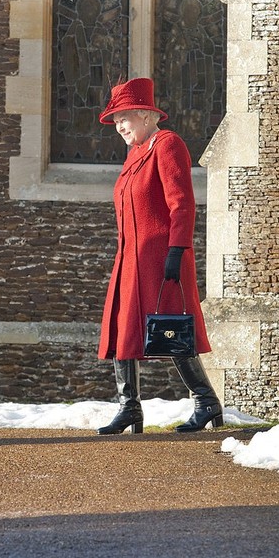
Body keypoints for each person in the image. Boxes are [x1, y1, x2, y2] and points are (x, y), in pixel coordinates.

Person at [96, 77, 222, 434]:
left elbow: (181, 203)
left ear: (147, 115)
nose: (119, 125)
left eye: (124, 117)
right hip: (130, 258)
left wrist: (177, 249)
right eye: (116, 119)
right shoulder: (135, 154)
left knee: (171, 329)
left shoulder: (167, 145)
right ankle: (129, 408)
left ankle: (205, 401)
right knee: (122, 329)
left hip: (161, 256)